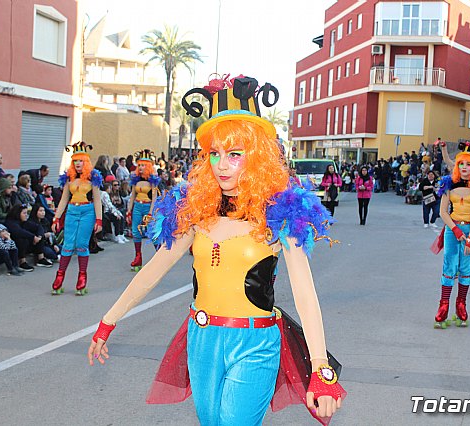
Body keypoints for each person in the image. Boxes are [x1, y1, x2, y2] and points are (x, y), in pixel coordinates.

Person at [87, 75, 345, 425]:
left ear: (256, 158)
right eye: (215, 154)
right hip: (202, 339)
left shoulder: (280, 214)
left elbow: (305, 293)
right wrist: (107, 324)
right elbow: (152, 272)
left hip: (255, 343)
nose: (222, 165)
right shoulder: (196, 212)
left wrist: (320, 368)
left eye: (235, 155)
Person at [431, 142, 470, 328]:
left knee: (466, 267)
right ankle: (443, 306)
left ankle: (461, 305)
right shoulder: (448, 184)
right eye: (461, 164)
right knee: (449, 266)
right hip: (452, 230)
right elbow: (443, 212)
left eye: (468, 164)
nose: (464, 168)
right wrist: (456, 230)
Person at [50, 142, 103, 295]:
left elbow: (97, 199)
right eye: (75, 161)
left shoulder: (93, 177)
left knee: (81, 244)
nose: (77, 163)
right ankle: (60, 276)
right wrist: (56, 218)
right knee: (67, 245)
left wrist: (98, 220)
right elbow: (64, 199)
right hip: (72, 211)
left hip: (87, 212)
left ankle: (82, 277)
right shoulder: (69, 178)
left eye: (80, 160)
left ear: (86, 162)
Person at [126, 150, 161, 272]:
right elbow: (132, 195)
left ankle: (159, 257)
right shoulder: (135, 179)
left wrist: (151, 212)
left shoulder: (153, 180)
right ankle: (138, 257)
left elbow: (155, 197)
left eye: (143, 165)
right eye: (139, 165)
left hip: (147, 207)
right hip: (137, 206)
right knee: (136, 232)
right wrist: (129, 210)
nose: (140, 167)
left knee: (152, 232)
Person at [4, 204, 50, 271]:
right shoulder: (11, 222)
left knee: (39, 235)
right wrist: (33, 237)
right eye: (24, 213)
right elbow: (19, 232)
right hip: (12, 246)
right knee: (22, 239)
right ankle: (22, 262)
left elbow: (39, 227)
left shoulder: (24, 222)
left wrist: (39, 237)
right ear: (18, 213)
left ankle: (41, 258)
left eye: (27, 213)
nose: (26, 215)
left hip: (28, 246)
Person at [100, 176, 126, 243]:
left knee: (121, 216)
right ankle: (117, 235)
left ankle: (121, 234)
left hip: (111, 210)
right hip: (106, 212)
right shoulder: (104, 194)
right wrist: (116, 214)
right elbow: (109, 205)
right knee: (117, 219)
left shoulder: (107, 194)